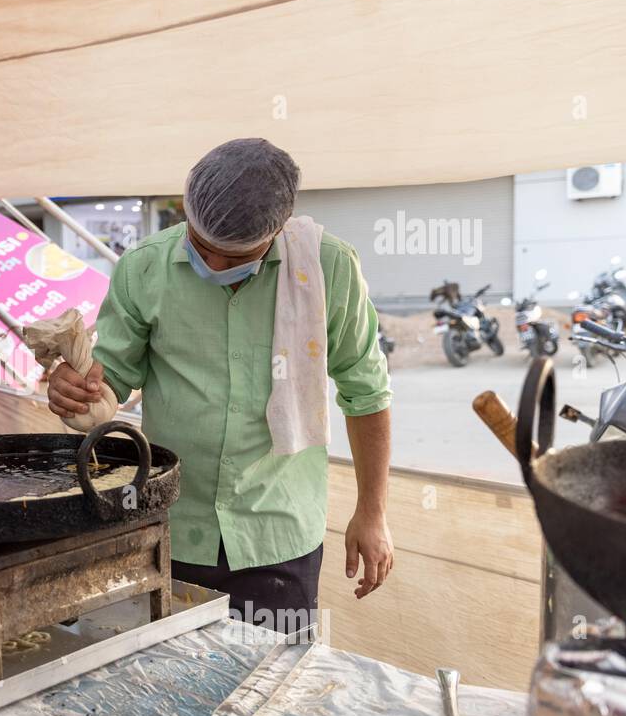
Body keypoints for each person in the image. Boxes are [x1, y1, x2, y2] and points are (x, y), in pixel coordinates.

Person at [48, 138, 394, 628]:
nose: (212, 265)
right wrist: (78, 391)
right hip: (168, 524)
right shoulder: (144, 267)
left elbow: (367, 393)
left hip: (277, 534)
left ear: (278, 232)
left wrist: (372, 512)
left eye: (234, 259)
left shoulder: (325, 269)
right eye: (201, 246)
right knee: (163, 684)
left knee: (268, 688)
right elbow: (113, 376)